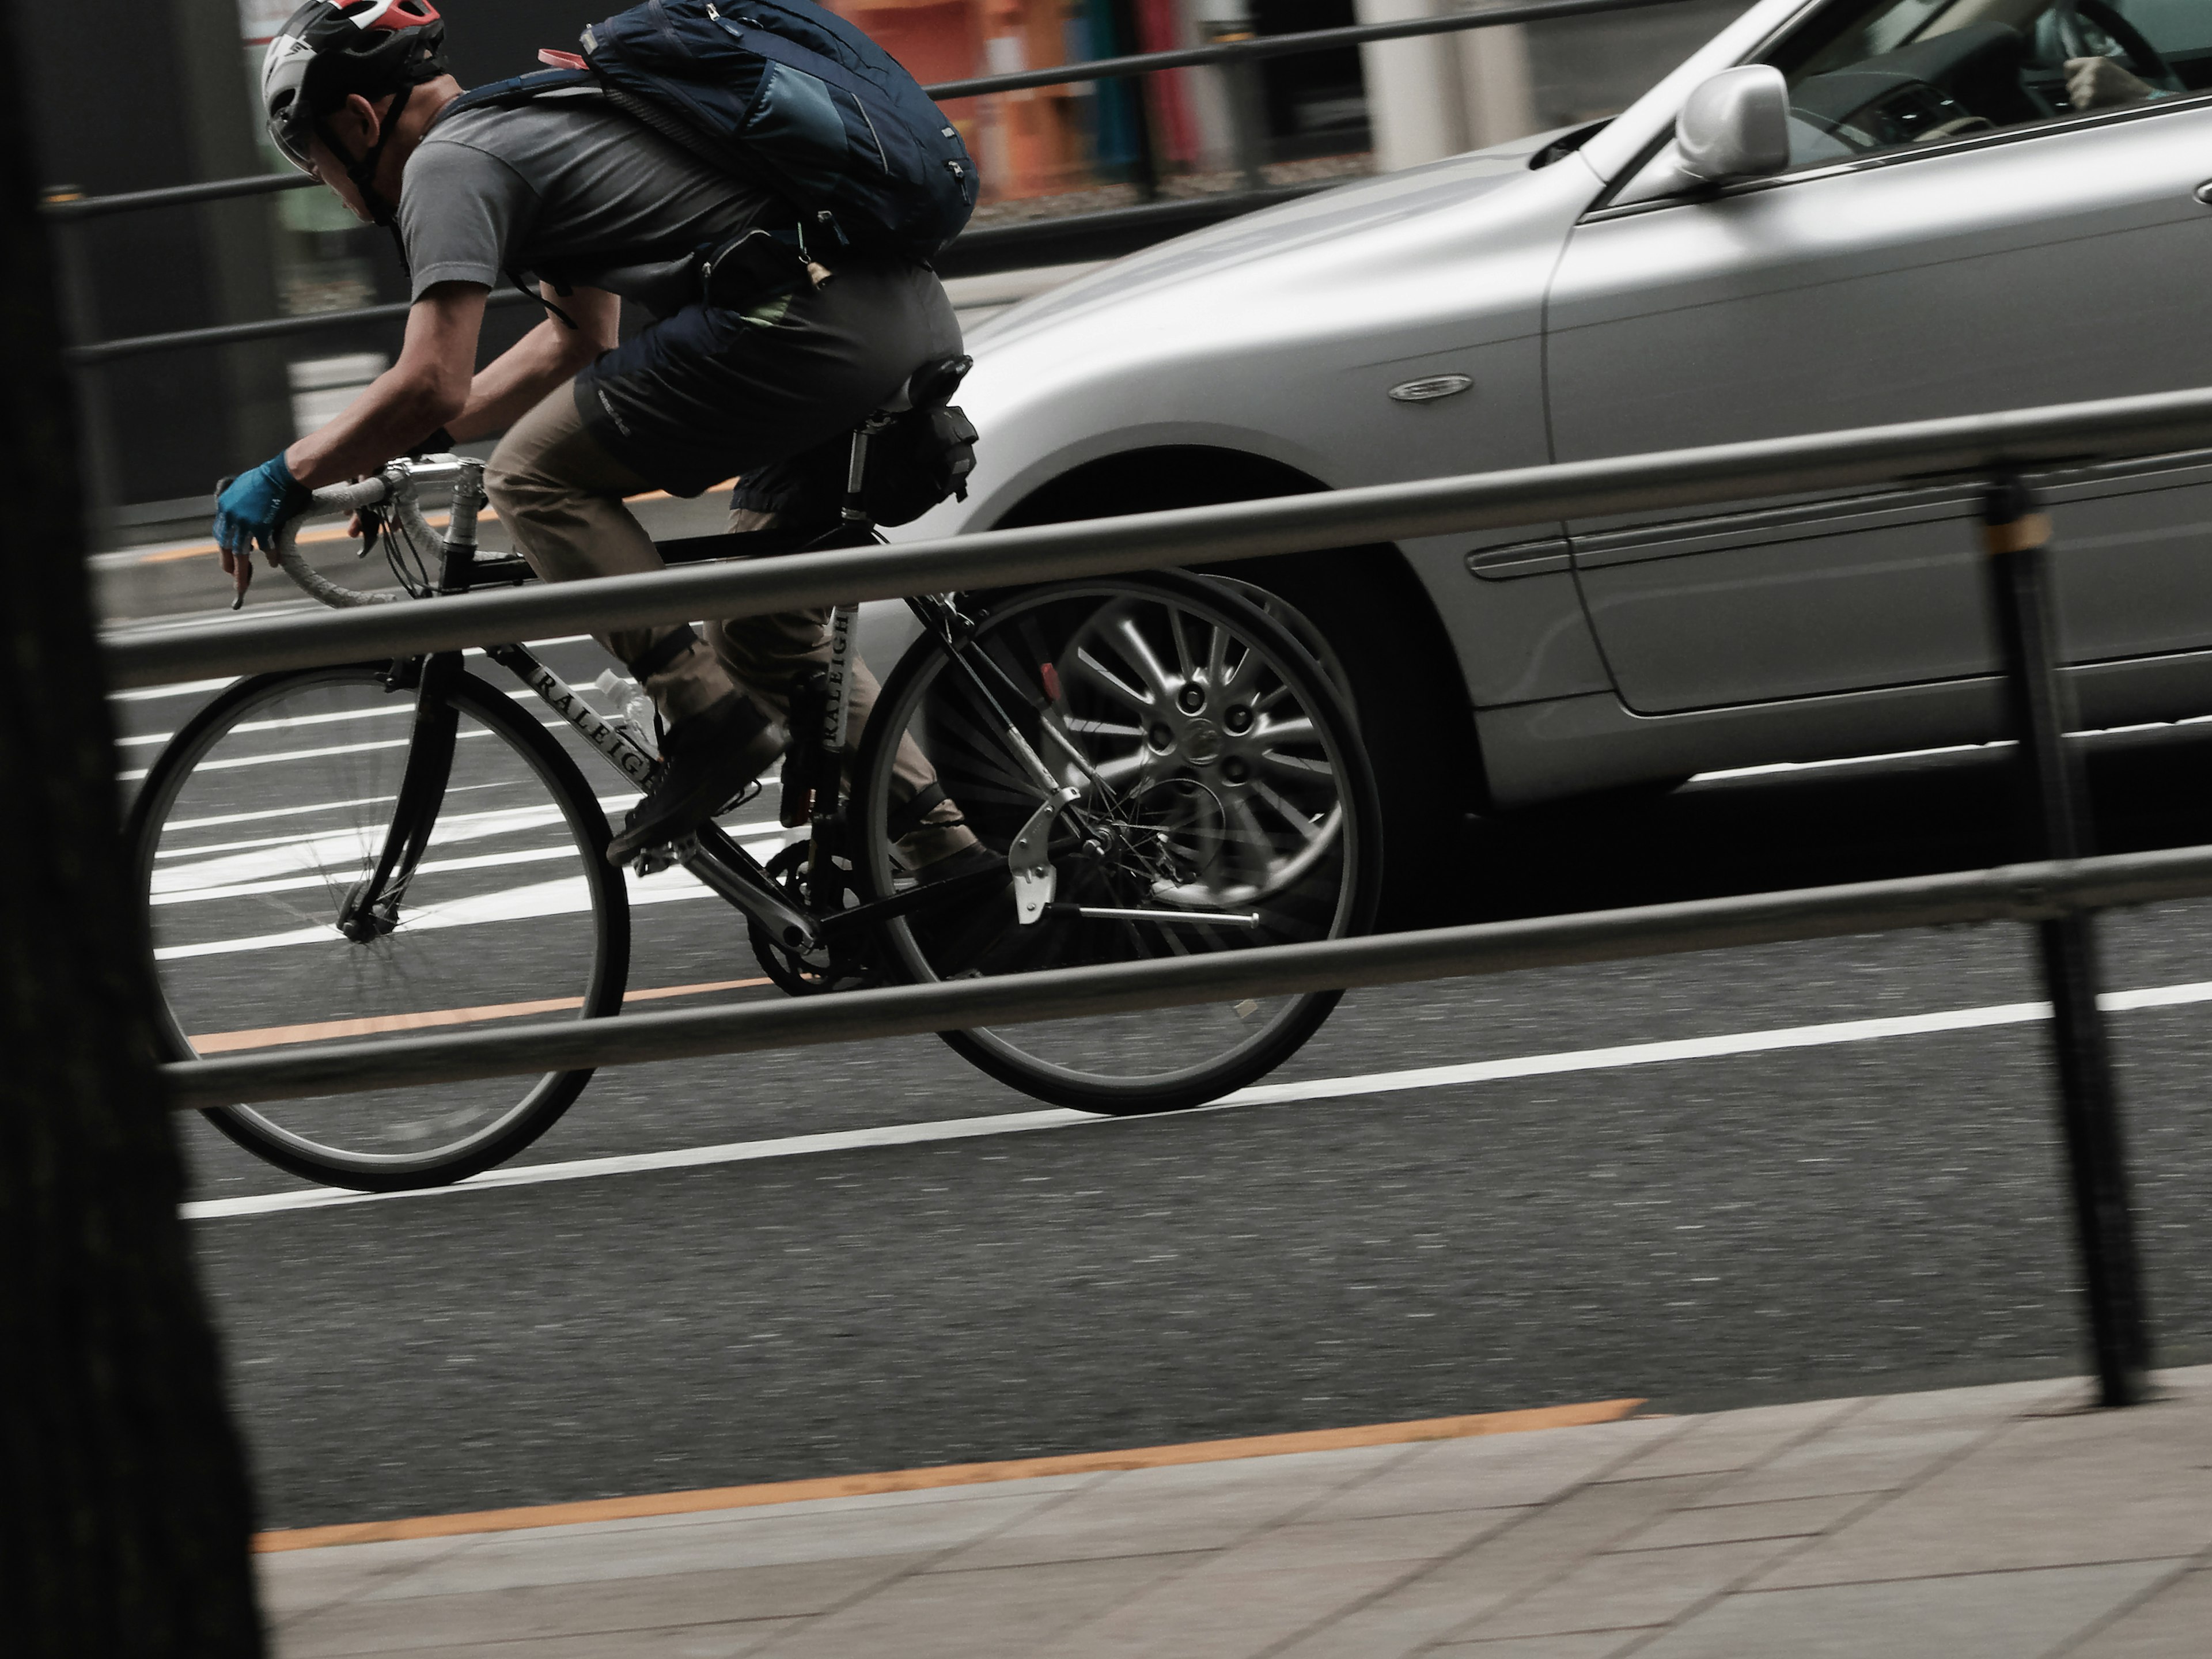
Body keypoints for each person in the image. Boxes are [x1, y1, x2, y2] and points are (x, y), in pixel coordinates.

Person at [215, 0, 980, 873]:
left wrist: (289, 472)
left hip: (798, 324)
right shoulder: (531, 119)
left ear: (357, 120)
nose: (328, 186)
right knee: (763, 630)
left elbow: (432, 376)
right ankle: (953, 870)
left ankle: (710, 720)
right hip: (893, 311)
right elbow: (572, 342)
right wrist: (383, 449)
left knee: (532, 479)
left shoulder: (447, 164)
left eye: (312, 158)